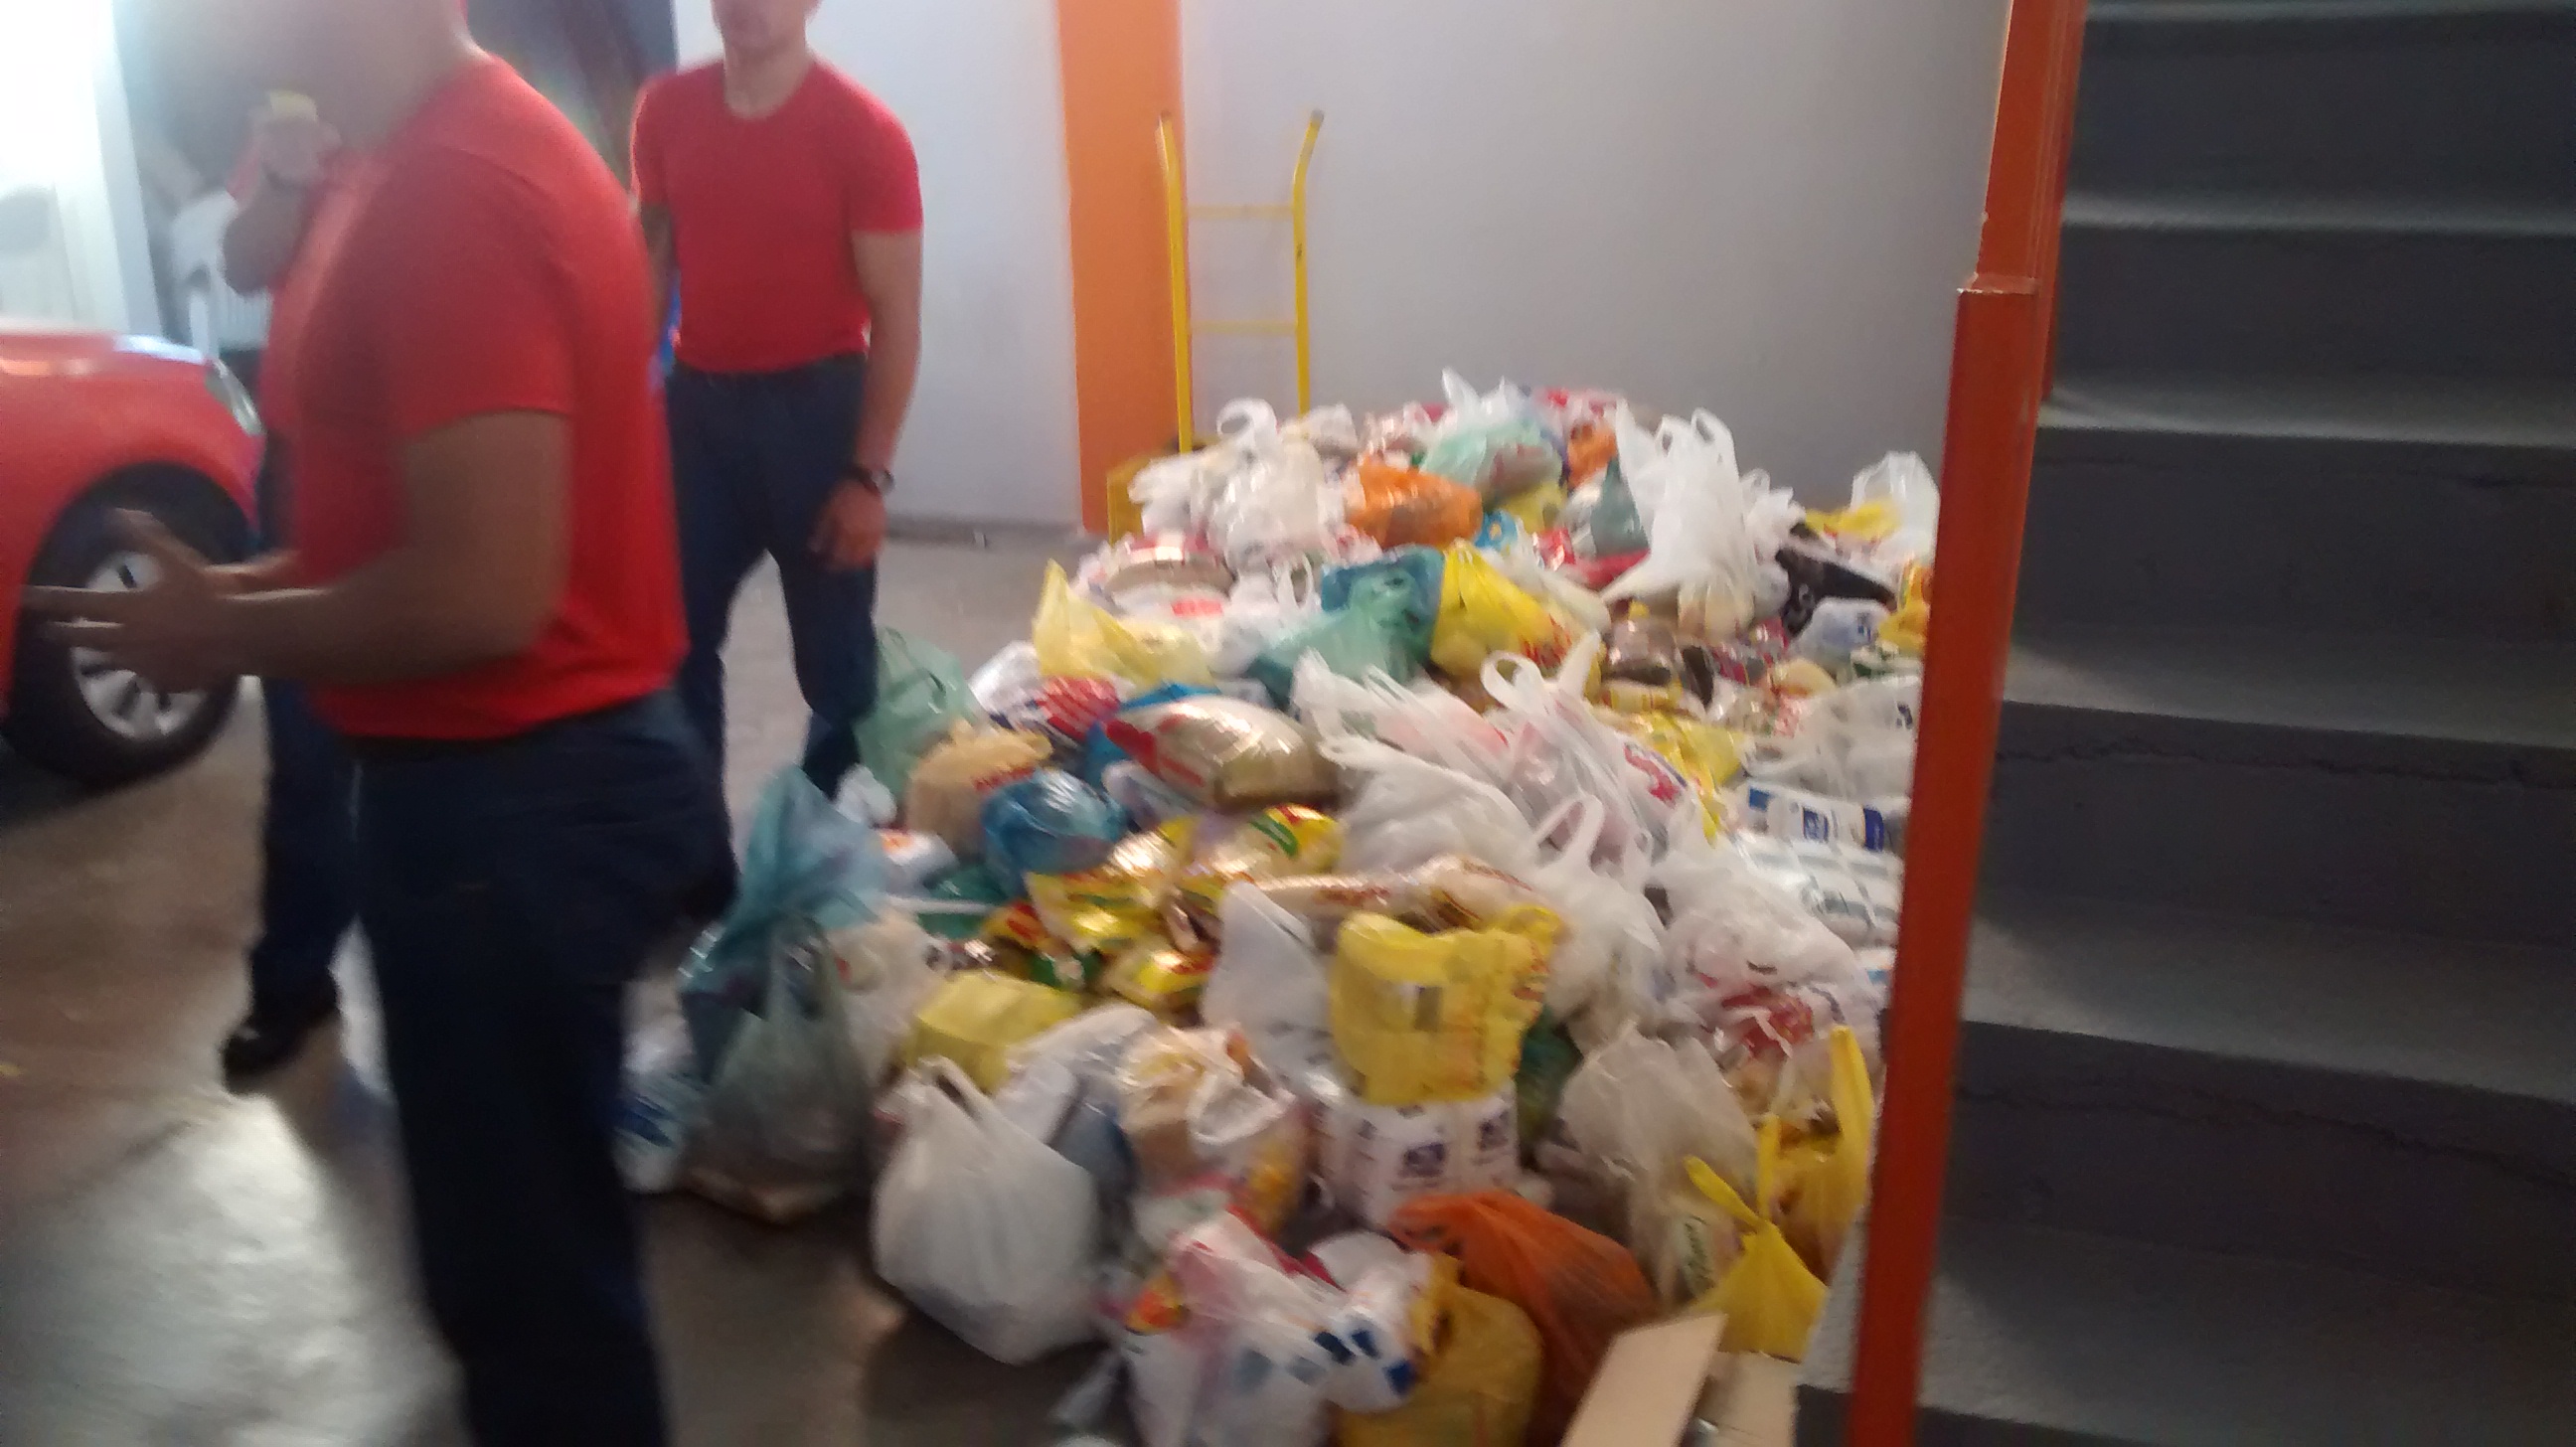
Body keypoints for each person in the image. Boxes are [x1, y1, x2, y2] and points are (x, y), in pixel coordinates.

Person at [29, 1, 721, 1440]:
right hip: (488, 798)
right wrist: (235, 590)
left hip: (515, 806)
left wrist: (224, 631)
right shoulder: (379, 163)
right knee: (511, 1269)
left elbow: (483, 588)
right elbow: (388, 522)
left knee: (534, 1302)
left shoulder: (460, 186)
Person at [632, 0, 924, 813]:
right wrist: (619, 407)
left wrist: (867, 477)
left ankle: (831, 846)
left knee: (836, 668)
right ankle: (695, 859)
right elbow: (648, 262)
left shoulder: (864, 133)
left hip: (817, 419)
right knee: (671, 643)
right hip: (698, 415)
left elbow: (897, 316)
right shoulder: (665, 110)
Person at [202, 101, 365, 1081]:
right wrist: (287, 175)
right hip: (303, 472)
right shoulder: (296, 130)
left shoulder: (447, 123)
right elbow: (241, 263)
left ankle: (463, 987)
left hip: (421, 462)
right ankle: (295, 978)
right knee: (305, 747)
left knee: (443, 747)